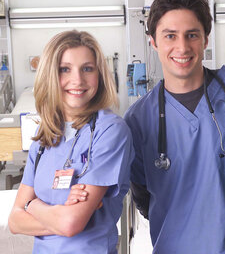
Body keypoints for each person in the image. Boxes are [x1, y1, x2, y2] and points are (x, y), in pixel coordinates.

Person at [124, 0, 225, 253]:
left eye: (192, 35)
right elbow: (142, 195)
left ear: (205, 39)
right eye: (170, 36)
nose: (182, 47)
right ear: (153, 41)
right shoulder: (138, 119)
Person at [8, 30, 134, 254]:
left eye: (87, 68)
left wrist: (32, 205)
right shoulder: (45, 133)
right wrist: (58, 213)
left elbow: (70, 224)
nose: (78, 80)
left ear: (99, 75)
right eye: (65, 69)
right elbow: (15, 222)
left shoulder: (110, 131)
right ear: (50, 75)